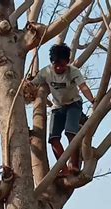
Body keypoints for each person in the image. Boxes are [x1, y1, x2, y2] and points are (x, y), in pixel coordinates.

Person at [28, 43, 95, 176]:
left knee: (71, 133)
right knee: (53, 138)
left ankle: (74, 164)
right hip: (57, 107)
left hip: (73, 104)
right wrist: (25, 87)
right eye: (56, 65)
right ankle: (63, 168)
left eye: (62, 65)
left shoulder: (73, 71)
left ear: (67, 62)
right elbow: (32, 85)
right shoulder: (46, 72)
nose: (58, 68)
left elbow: (83, 87)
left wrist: (93, 100)